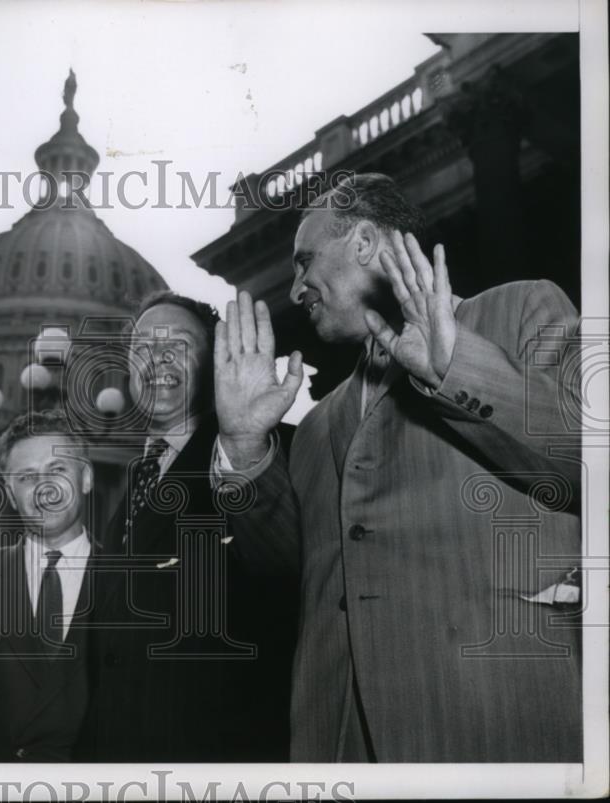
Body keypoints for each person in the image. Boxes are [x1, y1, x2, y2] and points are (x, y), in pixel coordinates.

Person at [215, 173, 582, 762]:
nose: (296, 288)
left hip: (499, 727)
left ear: (363, 243)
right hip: (344, 747)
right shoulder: (314, 428)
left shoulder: (521, 307)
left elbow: (585, 457)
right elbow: (286, 572)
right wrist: (245, 448)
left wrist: (454, 367)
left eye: (304, 261)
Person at [78, 291, 301, 762]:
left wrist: (245, 446)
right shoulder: (132, 486)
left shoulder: (270, 452)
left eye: (176, 344)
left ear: (215, 359)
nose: (155, 358)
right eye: (142, 347)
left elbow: (286, 565)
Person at [0, 410, 94, 761]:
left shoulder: (127, 580)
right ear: (11, 495)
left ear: (86, 477)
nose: (44, 487)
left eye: (58, 470)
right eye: (27, 477)